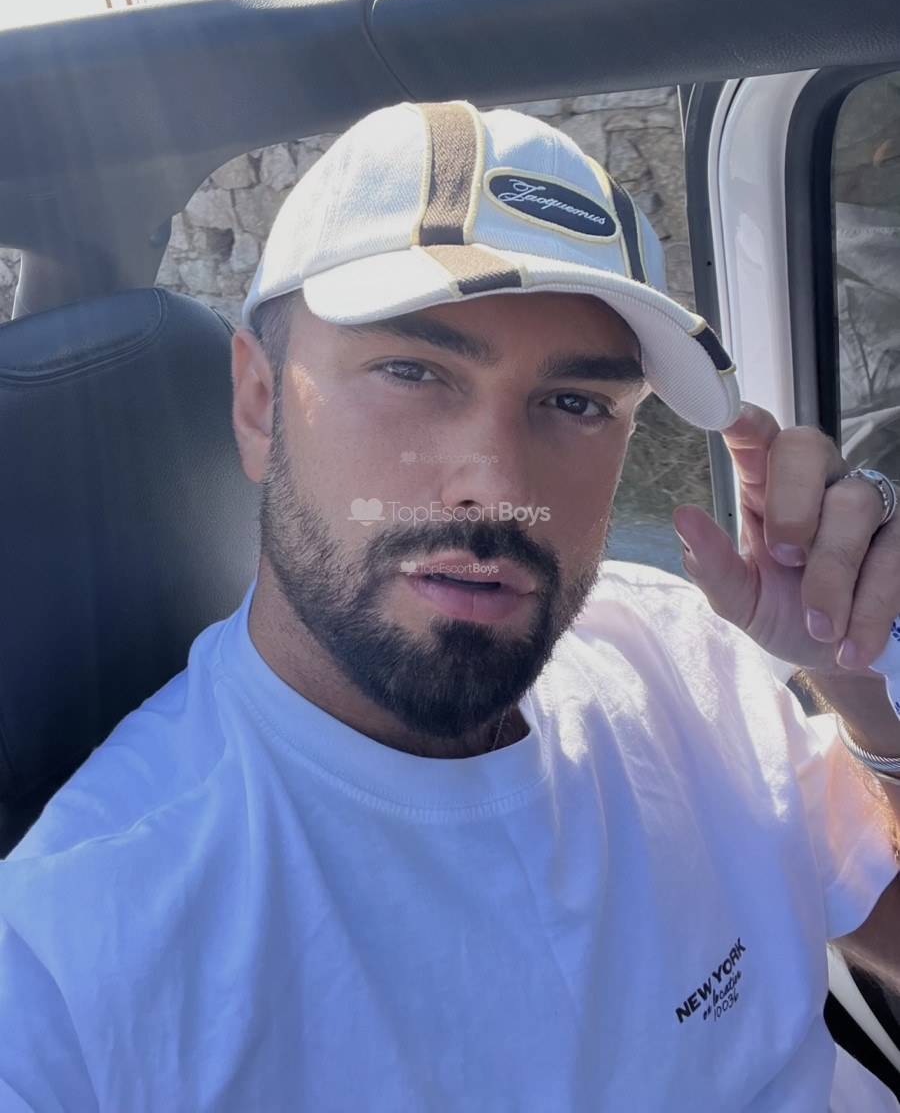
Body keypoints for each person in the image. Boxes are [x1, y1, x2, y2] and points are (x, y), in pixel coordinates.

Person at [1, 99, 899, 1113]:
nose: (497, 487)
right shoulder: (69, 957)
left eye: (577, 403)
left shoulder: (681, 660)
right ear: (258, 404)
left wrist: (861, 673)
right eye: (412, 371)